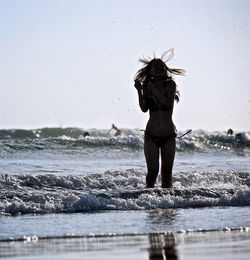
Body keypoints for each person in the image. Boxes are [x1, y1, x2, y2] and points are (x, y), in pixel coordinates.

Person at [134, 51, 185, 188]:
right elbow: (144, 108)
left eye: (162, 66)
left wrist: (153, 89)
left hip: (168, 135)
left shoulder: (170, 85)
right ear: (150, 71)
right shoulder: (147, 86)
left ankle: (167, 207)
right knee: (152, 173)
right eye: (156, 66)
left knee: (167, 175)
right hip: (151, 135)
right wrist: (139, 90)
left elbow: (167, 104)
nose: (159, 68)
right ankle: (149, 203)